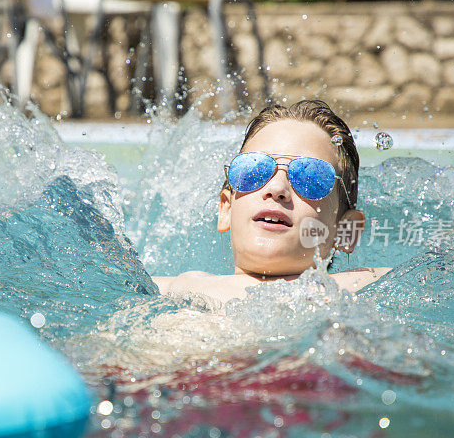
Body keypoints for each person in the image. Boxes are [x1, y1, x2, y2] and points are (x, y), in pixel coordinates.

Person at [153, 100, 391, 303]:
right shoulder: (159, 291)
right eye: (254, 169)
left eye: (310, 176)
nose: (276, 189)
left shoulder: (372, 290)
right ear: (226, 208)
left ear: (346, 231)